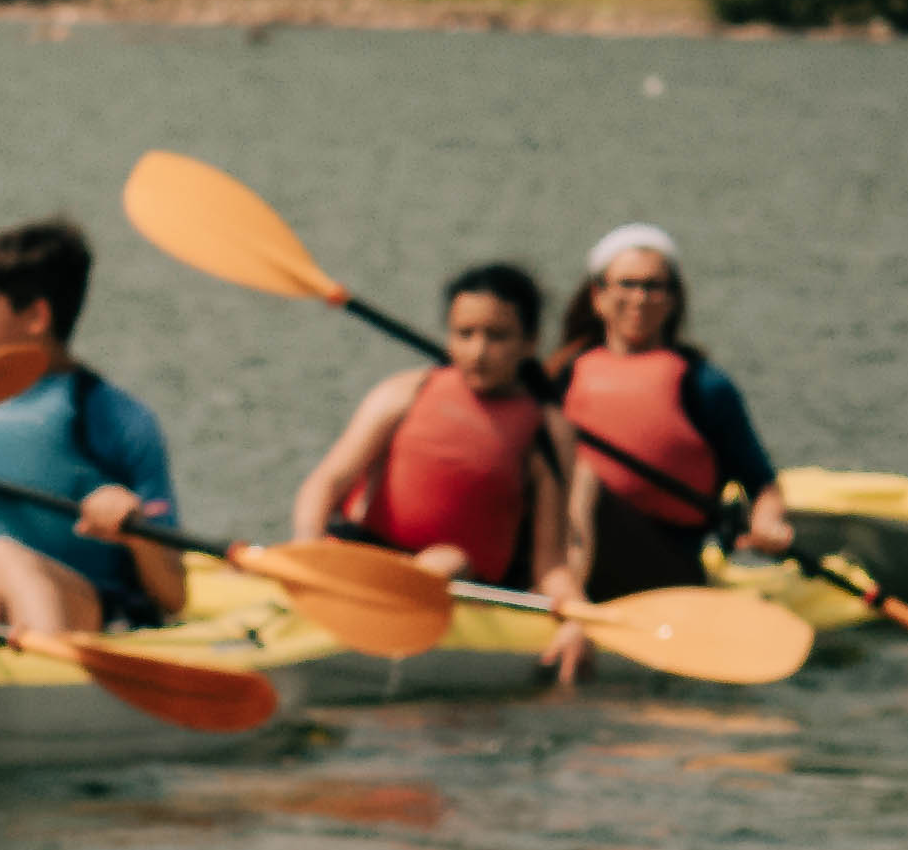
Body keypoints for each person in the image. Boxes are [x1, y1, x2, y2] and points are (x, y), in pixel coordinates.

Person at [0, 216, 186, 642]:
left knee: (1, 556)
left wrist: (136, 527)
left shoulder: (112, 418)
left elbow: (174, 595)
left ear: (36, 316)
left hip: (96, 615)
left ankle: (43, 674)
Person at [295, 261, 574, 586]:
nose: (478, 352)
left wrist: (572, 612)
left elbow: (551, 563)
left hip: (459, 584)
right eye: (465, 334)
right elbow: (326, 483)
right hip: (366, 553)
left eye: (497, 337)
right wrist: (306, 544)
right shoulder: (405, 391)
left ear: (530, 342)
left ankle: (399, 599)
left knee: (449, 559)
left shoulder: (547, 428)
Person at [549, 224, 796, 590]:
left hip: (666, 561)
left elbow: (762, 488)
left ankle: (567, 598)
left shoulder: (704, 385)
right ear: (598, 296)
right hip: (561, 544)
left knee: (586, 479)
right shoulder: (562, 375)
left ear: (672, 299)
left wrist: (768, 523)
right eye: (627, 284)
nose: (640, 298)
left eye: (653, 286)